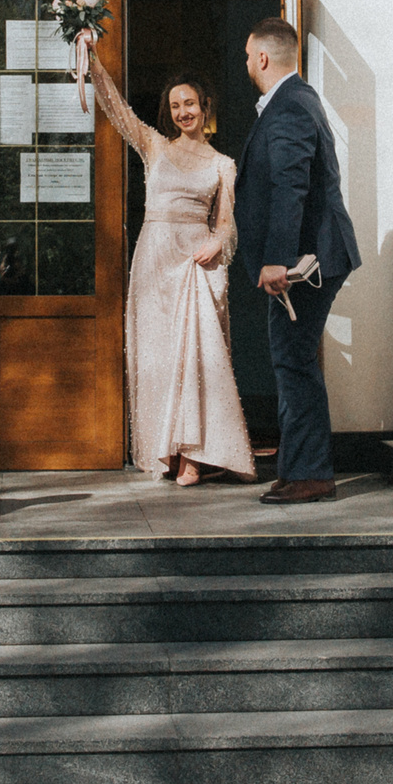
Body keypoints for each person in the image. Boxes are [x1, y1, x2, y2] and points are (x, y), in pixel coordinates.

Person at [85, 53, 254, 485]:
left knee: (198, 358)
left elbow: (228, 222)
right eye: (176, 105)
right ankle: (168, 451)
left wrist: (217, 242)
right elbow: (118, 110)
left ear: (206, 106)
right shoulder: (154, 146)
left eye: (191, 104)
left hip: (195, 263)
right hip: (155, 260)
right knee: (159, 359)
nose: (183, 112)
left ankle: (196, 454)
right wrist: (90, 57)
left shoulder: (222, 165)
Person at [232, 18, 361, 504]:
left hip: (306, 261)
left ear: (263, 58)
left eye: (248, 56)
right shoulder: (296, 101)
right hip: (310, 257)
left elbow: (291, 184)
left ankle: (310, 474)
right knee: (292, 359)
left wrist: (278, 260)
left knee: (294, 361)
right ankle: (299, 467)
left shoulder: (289, 107)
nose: (246, 64)